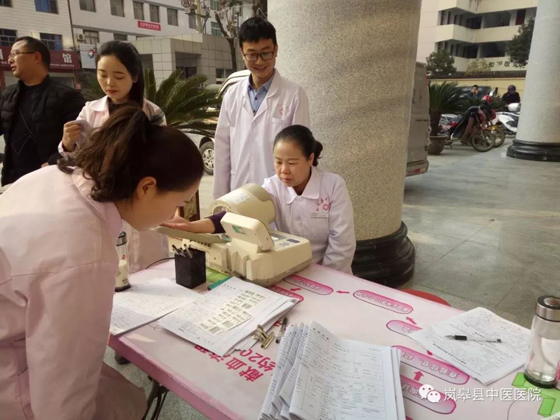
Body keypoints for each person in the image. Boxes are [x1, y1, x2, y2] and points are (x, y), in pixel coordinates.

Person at [0, 106, 204, 420]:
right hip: (14, 372)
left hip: (20, 337)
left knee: (124, 397)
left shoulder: (54, 176)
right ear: (146, 187)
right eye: (178, 202)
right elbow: (62, 397)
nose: (175, 214)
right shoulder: (83, 252)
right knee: (124, 405)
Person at [166, 125, 356, 274]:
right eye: (278, 162)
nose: (284, 170)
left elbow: (342, 242)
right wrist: (192, 227)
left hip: (333, 272)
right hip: (292, 269)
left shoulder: (333, 185)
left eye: (292, 163)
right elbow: (235, 214)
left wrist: (328, 276)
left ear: (310, 159)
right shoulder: (272, 186)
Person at [60, 41, 168, 273]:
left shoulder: (152, 113)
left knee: (149, 268)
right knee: (108, 269)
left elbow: (163, 159)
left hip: (141, 199)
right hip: (101, 200)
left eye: (118, 76)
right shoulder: (90, 112)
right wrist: (68, 143)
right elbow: (75, 161)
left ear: (135, 76)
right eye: (103, 75)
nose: (109, 83)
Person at [213, 17, 310, 199]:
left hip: (279, 197)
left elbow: (300, 152)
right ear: (242, 52)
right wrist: (220, 201)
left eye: (266, 53)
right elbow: (222, 152)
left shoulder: (294, 95)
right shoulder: (232, 95)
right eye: (252, 54)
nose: (259, 61)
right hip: (238, 195)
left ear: (276, 50)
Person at [0, 37, 85, 186]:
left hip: (52, 181)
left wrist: (53, 162)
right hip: (15, 182)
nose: (10, 59)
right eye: (10, 55)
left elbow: (82, 143)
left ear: (36, 57)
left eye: (15, 54)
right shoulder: (8, 94)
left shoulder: (67, 96)